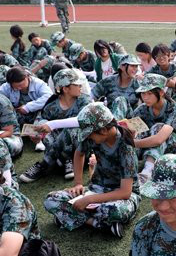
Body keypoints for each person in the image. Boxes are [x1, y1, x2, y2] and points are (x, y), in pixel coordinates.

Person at [42, 102, 140, 238]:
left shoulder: (126, 148)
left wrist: (90, 199)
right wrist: (78, 183)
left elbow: (125, 192)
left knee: (115, 211)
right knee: (51, 199)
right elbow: (79, 153)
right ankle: (97, 223)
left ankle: (68, 216)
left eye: (90, 134)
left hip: (121, 196)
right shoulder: (94, 137)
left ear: (103, 130)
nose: (88, 137)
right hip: (96, 188)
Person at [19, 69, 92, 182]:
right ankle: (66, 160)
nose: (80, 86)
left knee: (70, 130)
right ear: (65, 89)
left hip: (83, 148)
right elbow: (42, 120)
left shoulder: (84, 100)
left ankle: (45, 164)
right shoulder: (52, 105)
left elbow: (83, 120)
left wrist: (53, 124)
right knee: (46, 133)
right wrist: (37, 134)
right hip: (61, 148)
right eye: (77, 84)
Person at [132, 74, 176, 184]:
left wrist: (133, 143)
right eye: (143, 93)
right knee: (138, 132)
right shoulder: (140, 110)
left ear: (161, 92)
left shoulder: (173, 109)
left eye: (149, 93)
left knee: (159, 127)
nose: (145, 97)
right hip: (148, 148)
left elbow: (159, 139)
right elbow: (134, 134)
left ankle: (147, 171)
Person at [91, 54, 141, 120]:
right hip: (110, 117)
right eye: (132, 66)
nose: (135, 69)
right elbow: (92, 96)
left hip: (130, 120)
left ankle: (116, 125)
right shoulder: (109, 81)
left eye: (136, 66)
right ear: (122, 67)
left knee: (121, 100)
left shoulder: (138, 85)